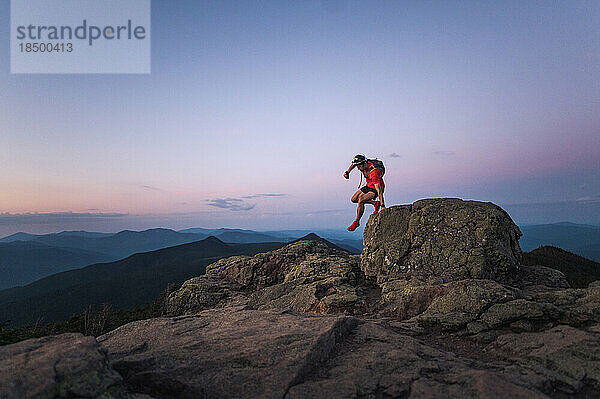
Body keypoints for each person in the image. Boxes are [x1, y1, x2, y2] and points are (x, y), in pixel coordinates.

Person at [343, 154, 386, 231]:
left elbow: (379, 190)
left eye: (359, 166)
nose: (358, 169)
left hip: (375, 189)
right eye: (357, 167)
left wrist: (383, 205)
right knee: (353, 199)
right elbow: (353, 164)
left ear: (365, 164)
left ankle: (357, 221)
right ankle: (375, 203)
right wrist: (347, 172)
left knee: (361, 200)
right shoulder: (363, 163)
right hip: (369, 185)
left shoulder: (374, 172)